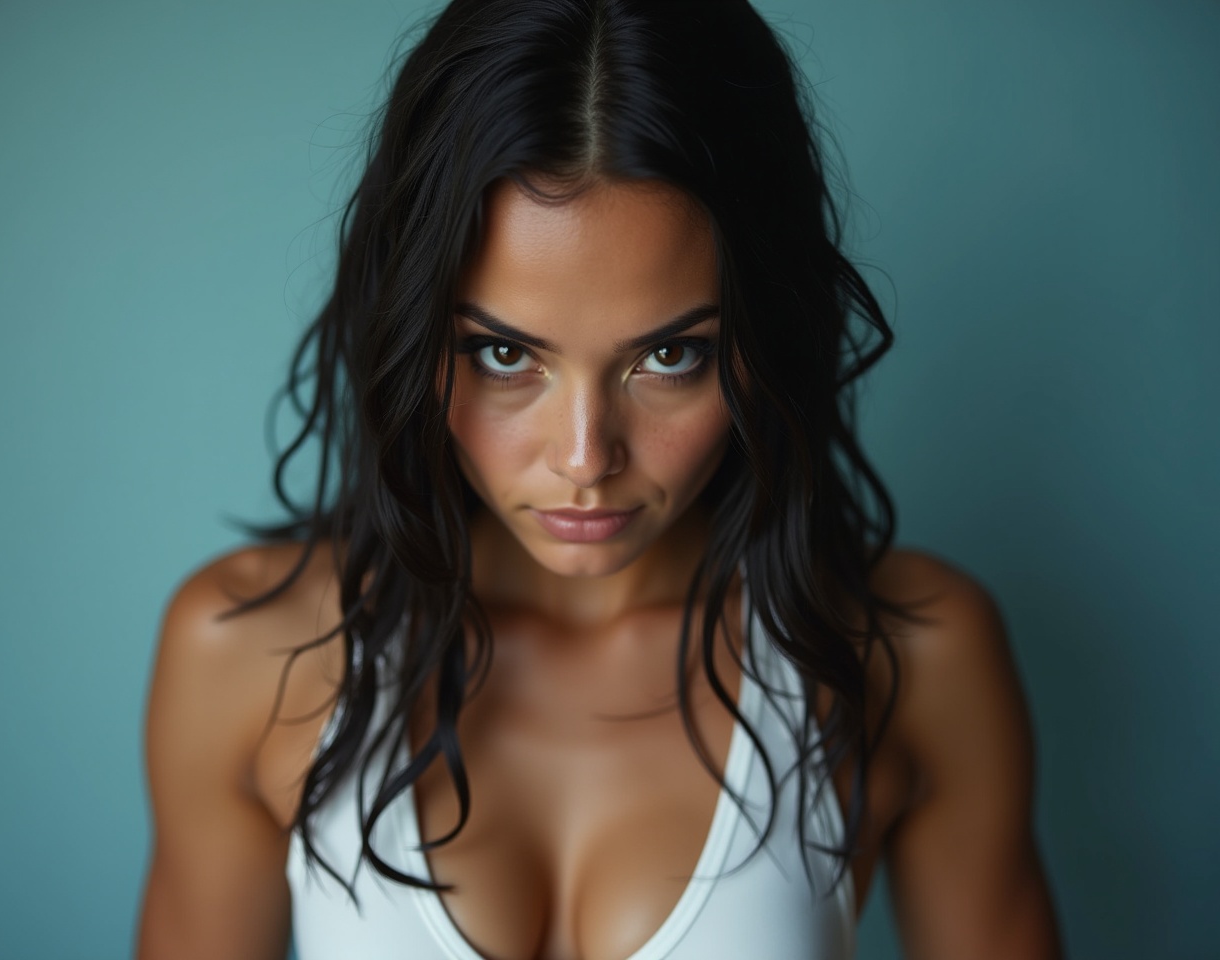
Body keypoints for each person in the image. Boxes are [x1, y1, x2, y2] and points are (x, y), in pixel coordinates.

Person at [137, 1, 1063, 957]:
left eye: (670, 357)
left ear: (762, 341)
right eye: (503, 354)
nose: (586, 458)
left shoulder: (909, 660)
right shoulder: (248, 656)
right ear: (412, 337)